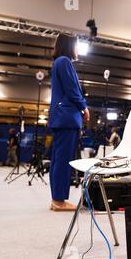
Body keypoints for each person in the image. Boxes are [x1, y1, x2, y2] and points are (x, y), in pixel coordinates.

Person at [48, 33, 90, 212]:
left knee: (58, 159)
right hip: (67, 117)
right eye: (76, 45)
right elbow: (72, 90)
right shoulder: (65, 62)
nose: (78, 49)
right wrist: (84, 107)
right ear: (69, 45)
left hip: (60, 117)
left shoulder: (58, 62)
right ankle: (59, 200)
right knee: (64, 160)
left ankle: (56, 198)